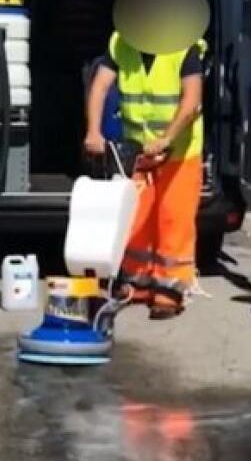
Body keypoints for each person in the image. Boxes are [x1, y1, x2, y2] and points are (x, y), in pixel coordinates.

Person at [83, 32, 206, 320]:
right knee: (136, 218)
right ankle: (135, 282)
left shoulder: (185, 48)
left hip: (179, 152)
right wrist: (93, 131)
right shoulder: (121, 42)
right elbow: (100, 86)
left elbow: (191, 101)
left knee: (173, 218)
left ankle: (169, 290)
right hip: (138, 151)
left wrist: (167, 138)